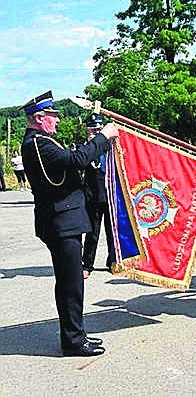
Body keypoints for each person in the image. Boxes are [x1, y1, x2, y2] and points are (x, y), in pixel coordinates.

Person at [21, 91, 119, 356]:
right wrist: (103, 137)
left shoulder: (42, 140)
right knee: (70, 285)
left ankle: (77, 334)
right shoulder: (38, 143)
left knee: (71, 282)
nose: (57, 121)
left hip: (64, 220)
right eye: (53, 116)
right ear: (39, 118)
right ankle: (74, 341)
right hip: (60, 222)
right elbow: (76, 160)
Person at [82, 113, 115, 279]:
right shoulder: (84, 148)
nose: (95, 131)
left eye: (98, 129)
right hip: (93, 195)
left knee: (112, 232)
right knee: (92, 233)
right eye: (92, 129)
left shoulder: (111, 147)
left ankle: (113, 262)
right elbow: (80, 165)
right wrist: (90, 144)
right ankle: (87, 264)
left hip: (110, 195)